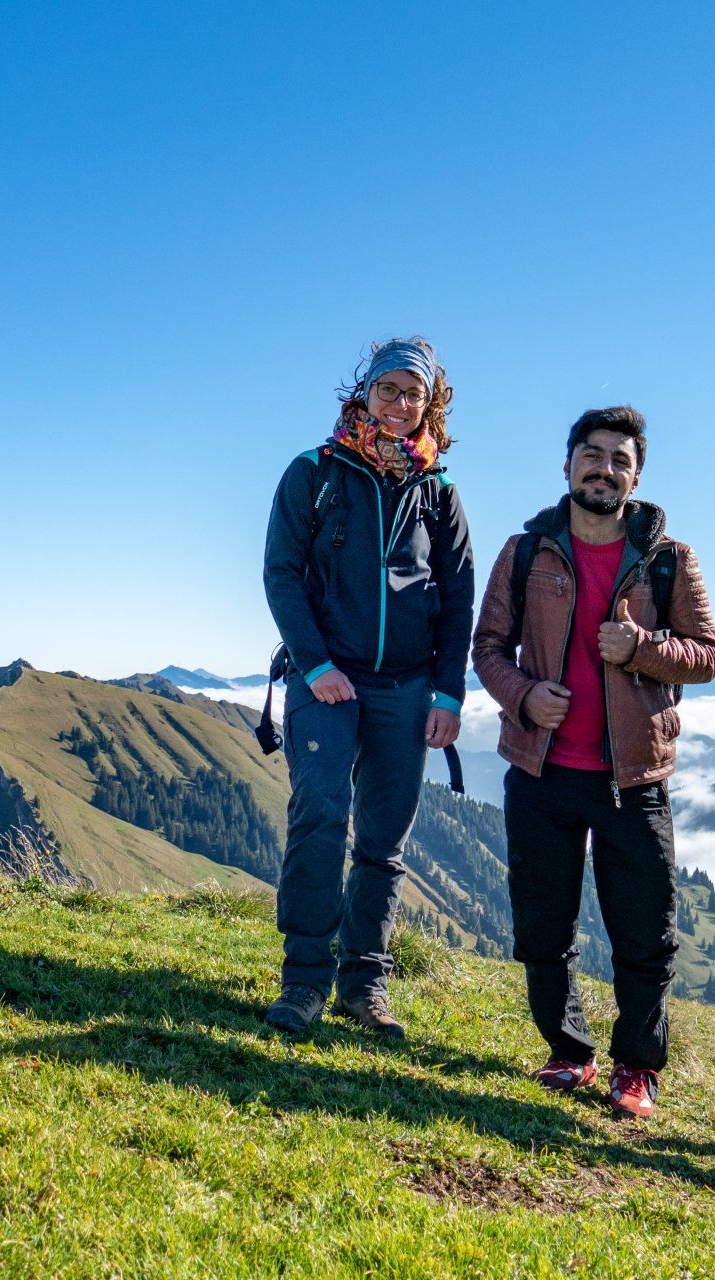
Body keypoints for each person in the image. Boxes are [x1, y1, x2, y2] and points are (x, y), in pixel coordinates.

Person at [471, 406, 715, 1119]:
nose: (603, 467)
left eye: (619, 458)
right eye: (592, 453)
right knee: (543, 925)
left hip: (633, 777)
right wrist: (522, 695)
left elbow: (707, 655)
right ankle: (569, 1051)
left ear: (635, 477)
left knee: (645, 931)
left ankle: (636, 1067)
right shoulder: (526, 552)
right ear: (568, 463)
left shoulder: (669, 558)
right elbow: (487, 648)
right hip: (541, 769)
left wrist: (640, 647)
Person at [260, 338, 474, 1039]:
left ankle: (365, 985)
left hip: (408, 689)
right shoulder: (315, 471)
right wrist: (315, 664)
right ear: (365, 393)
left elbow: (460, 598)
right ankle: (303, 982)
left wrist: (448, 693)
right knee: (319, 817)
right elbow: (281, 574)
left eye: (414, 394)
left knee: (384, 841)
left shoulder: (438, 490)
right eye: (389, 389)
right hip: (326, 680)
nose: (400, 404)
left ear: (429, 404)